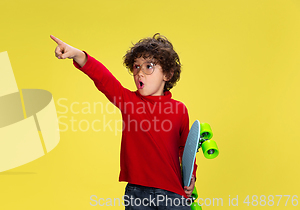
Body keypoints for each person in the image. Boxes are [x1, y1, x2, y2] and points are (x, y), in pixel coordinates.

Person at [51, 33, 197, 209]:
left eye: (148, 67)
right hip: (137, 193)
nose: (139, 73)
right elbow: (104, 79)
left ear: (167, 74)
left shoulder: (180, 110)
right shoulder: (129, 102)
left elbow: (186, 149)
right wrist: (77, 55)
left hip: (173, 193)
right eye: (136, 67)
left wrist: (191, 176)